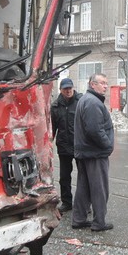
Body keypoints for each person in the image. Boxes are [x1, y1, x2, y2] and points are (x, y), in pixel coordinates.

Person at [72, 73, 115, 232]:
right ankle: (99, 222)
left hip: (86, 152)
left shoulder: (86, 99)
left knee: (84, 188)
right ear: (92, 84)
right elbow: (95, 130)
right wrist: (107, 145)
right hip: (95, 153)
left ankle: (79, 219)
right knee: (99, 189)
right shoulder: (93, 102)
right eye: (102, 83)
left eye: (106, 83)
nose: (105, 86)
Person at [51, 78, 81, 212]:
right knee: (64, 177)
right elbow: (52, 128)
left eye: (70, 88)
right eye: (65, 89)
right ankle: (67, 202)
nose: (68, 91)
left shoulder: (80, 102)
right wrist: (48, 144)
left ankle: (84, 203)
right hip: (63, 147)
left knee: (84, 177)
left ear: (73, 88)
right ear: (60, 90)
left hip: (79, 146)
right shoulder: (55, 106)